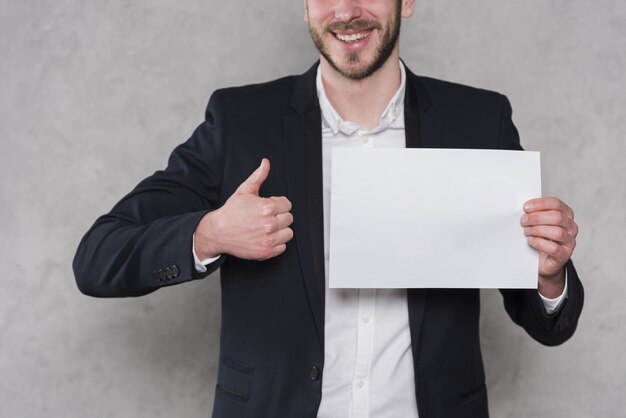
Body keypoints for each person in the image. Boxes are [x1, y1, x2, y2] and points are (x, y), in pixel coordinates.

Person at [73, 0, 584, 417]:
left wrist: (549, 275)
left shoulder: (478, 121)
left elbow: (549, 323)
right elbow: (97, 258)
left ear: (407, 2)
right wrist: (210, 234)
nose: (346, 10)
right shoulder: (241, 123)